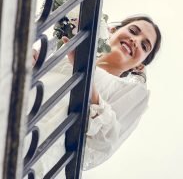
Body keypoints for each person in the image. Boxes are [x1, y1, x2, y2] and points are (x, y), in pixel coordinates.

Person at [29, 15, 162, 176]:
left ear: (140, 64)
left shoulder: (130, 92)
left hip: (38, 152)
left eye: (144, 45)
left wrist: (84, 72)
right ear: (112, 31)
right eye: (133, 31)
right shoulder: (66, 55)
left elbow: (106, 139)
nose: (135, 40)